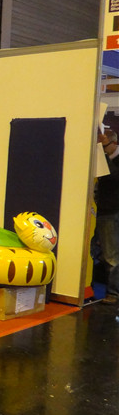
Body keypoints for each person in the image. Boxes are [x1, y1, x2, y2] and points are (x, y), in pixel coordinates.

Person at [94, 129, 119, 303]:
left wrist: (102, 154)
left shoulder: (112, 162)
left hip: (111, 212)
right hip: (101, 211)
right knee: (103, 254)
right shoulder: (107, 159)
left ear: (114, 143)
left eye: (104, 146)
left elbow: (113, 177)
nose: (102, 150)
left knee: (111, 255)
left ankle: (114, 294)